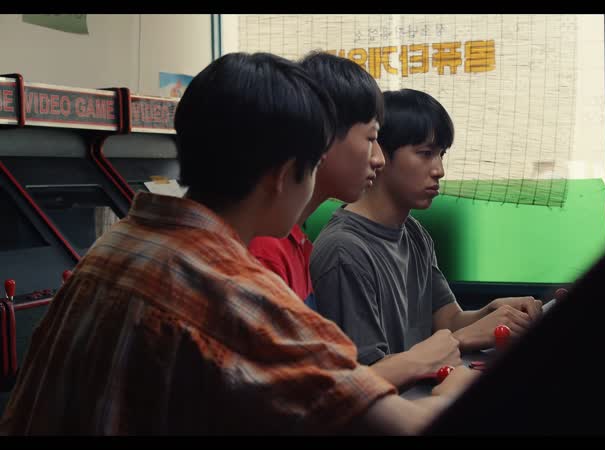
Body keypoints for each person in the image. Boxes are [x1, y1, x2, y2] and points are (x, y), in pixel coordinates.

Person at [0, 55, 476, 435]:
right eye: (313, 164)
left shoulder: (116, 247)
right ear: (282, 175)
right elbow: (407, 426)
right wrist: (456, 389)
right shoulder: (235, 293)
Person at [310, 89, 543, 389]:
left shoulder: (414, 233)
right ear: (380, 155)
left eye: (441, 154)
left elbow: (447, 321)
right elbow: (364, 380)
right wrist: (461, 339)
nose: (439, 170)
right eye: (425, 153)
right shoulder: (344, 250)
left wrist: (493, 314)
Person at [248, 51, 386, 310]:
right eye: (371, 138)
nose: (379, 159)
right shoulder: (265, 253)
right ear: (322, 133)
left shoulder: (296, 243)